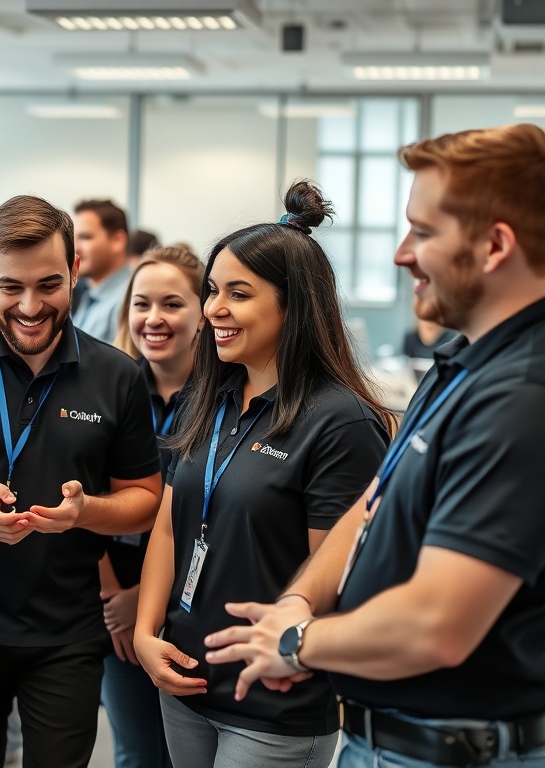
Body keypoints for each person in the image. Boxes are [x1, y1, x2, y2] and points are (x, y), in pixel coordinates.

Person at [204, 125, 545, 768]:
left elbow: (437, 625)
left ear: (496, 246)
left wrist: (298, 643)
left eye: (423, 231)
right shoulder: (462, 362)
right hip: (384, 738)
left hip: (456, 749)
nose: (401, 254)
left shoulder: (521, 397)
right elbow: (372, 505)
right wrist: (298, 604)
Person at [133, 181, 393, 768]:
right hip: (186, 680)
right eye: (212, 291)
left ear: (292, 306)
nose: (212, 309)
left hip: (272, 702)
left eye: (238, 294)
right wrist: (148, 634)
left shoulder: (339, 423)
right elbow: (171, 526)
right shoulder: (210, 395)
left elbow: (338, 578)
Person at [0, 194, 162, 768]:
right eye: (10, 288)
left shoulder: (117, 375)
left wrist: (86, 512)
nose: (30, 307)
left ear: (74, 270)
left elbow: (146, 500)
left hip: (68, 631)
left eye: (49, 285)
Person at [102, 245, 205, 768]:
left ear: (203, 313)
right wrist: (115, 598)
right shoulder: (108, 391)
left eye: (172, 303)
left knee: (184, 755)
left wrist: (147, 599)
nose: (154, 318)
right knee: (136, 752)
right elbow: (79, 497)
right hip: (113, 598)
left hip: (192, 599)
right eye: (142, 304)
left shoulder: (223, 400)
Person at [71, 198, 131, 342]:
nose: (75, 248)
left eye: (85, 237)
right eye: (72, 239)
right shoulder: (92, 294)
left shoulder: (129, 300)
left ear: (118, 240)